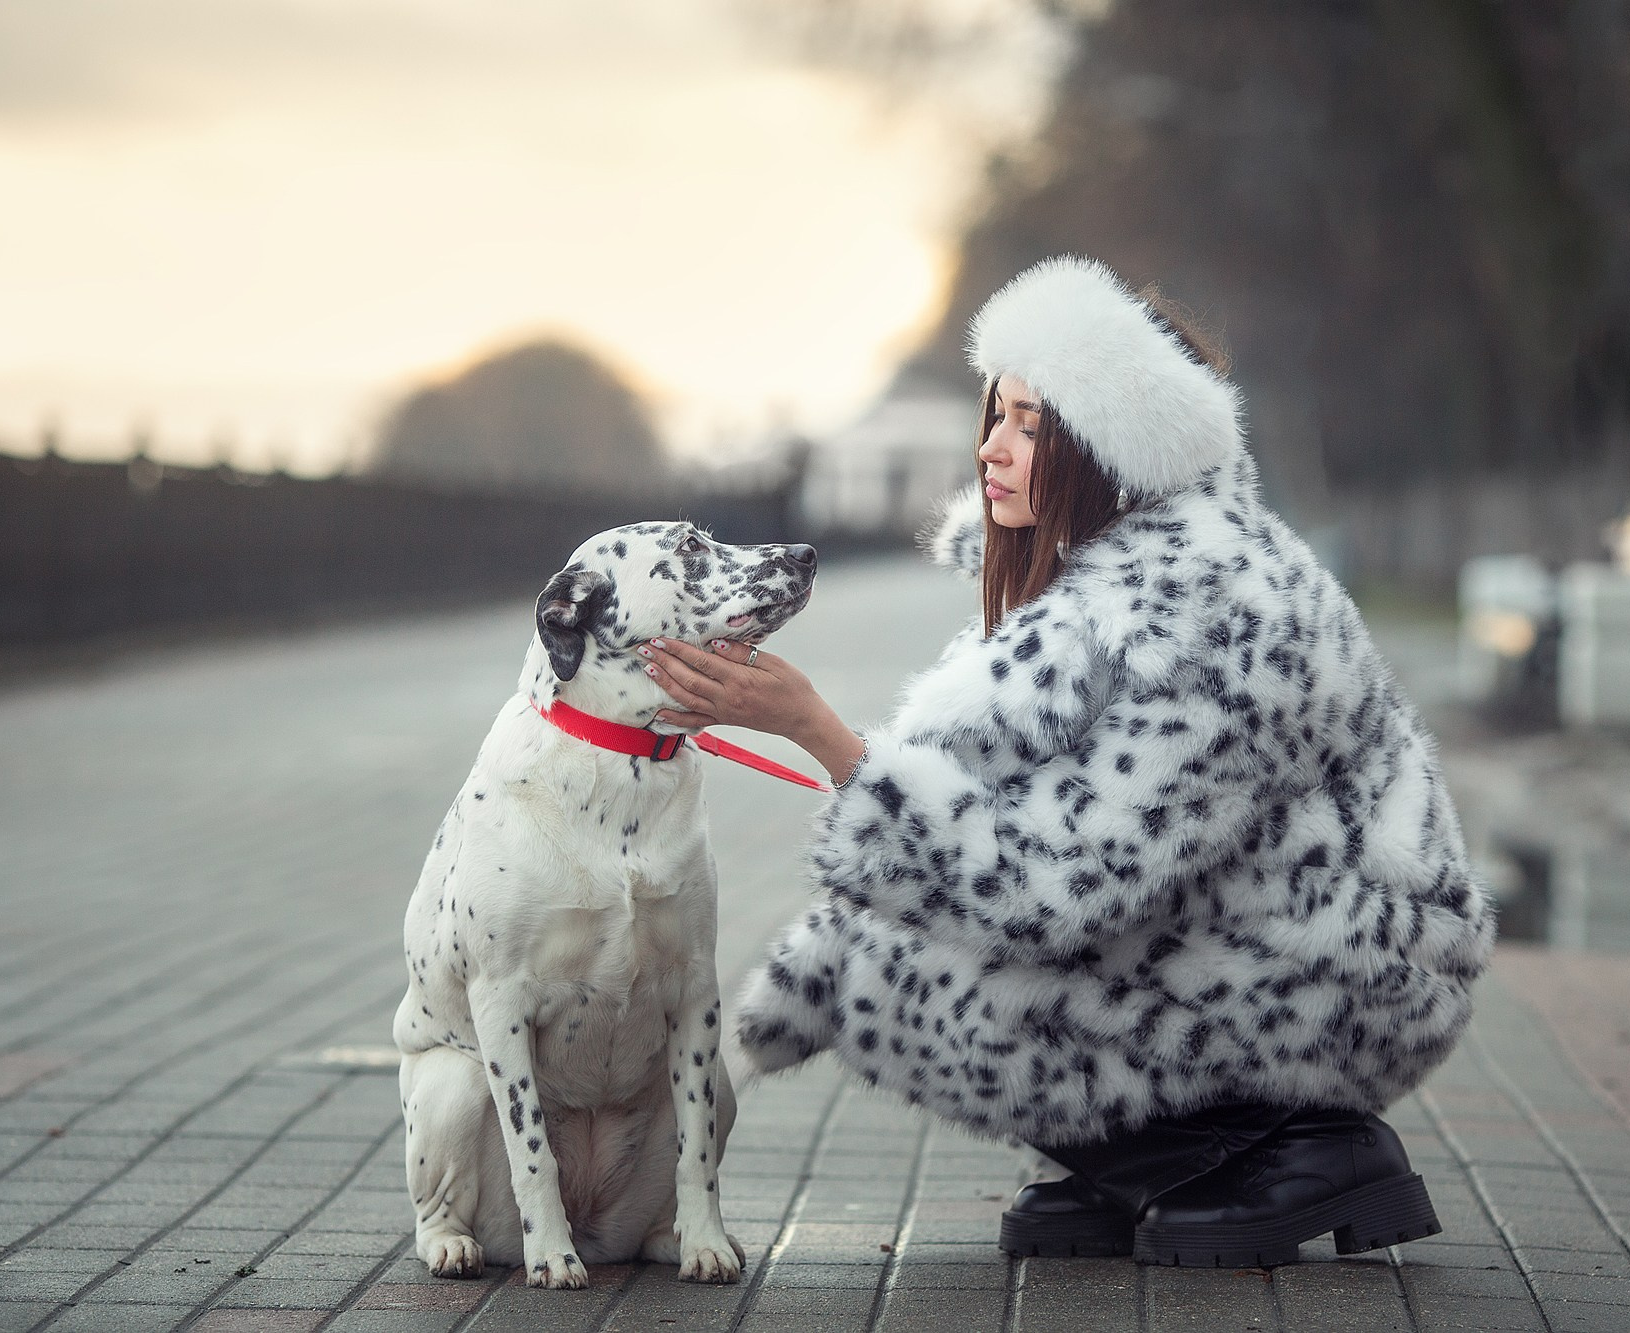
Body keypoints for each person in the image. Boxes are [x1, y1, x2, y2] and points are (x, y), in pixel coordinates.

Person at [634, 256, 1495, 1267]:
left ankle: (1289, 1142)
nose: (991, 450)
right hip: (1227, 938)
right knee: (872, 949)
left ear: (1116, 447)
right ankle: (1138, 1152)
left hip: (1348, 979)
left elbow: (1054, 889)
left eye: (1030, 424)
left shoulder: (1217, 608)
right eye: (993, 416)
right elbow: (992, 821)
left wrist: (817, 730)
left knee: (897, 974)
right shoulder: (1085, 587)